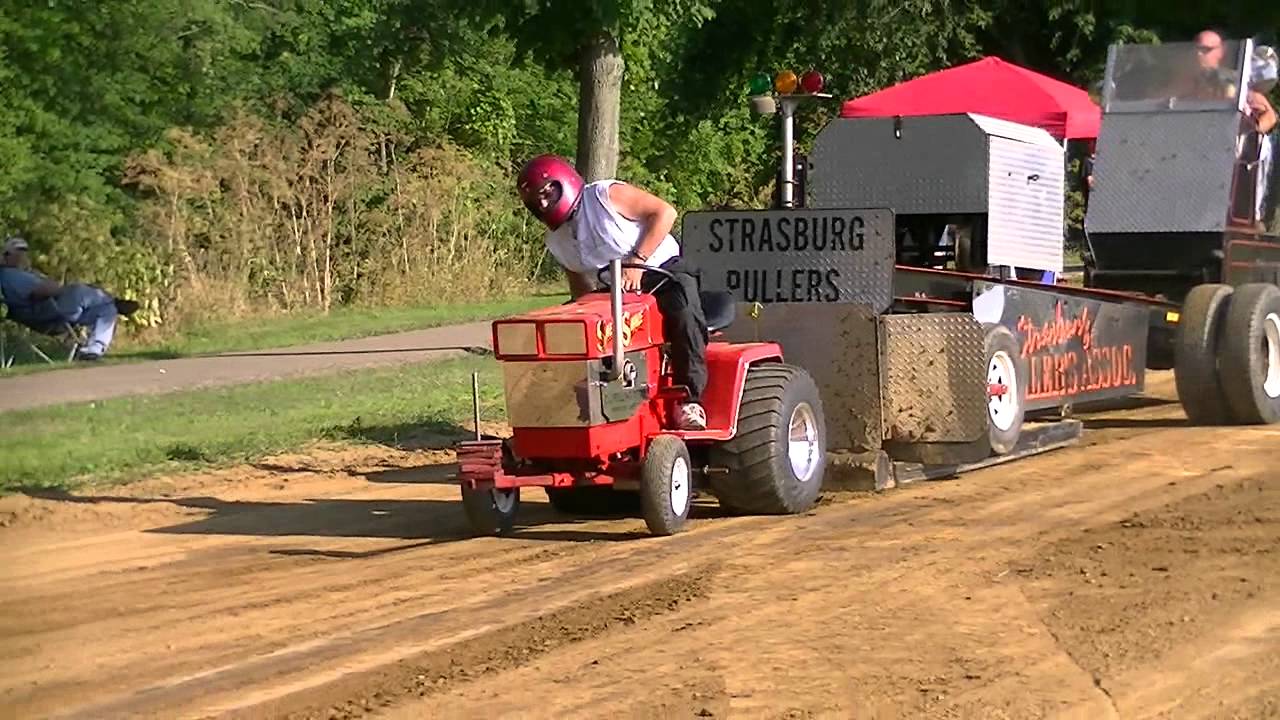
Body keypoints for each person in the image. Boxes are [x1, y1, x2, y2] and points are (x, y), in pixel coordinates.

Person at [516, 155, 709, 430]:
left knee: (684, 313)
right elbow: (580, 283)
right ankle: (579, 407)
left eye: (548, 192)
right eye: (537, 201)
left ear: (565, 181)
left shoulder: (604, 195)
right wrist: (579, 311)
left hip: (662, 271)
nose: (544, 203)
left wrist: (638, 261)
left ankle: (691, 401)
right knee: (574, 332)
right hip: (612, 291)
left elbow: (665, 213)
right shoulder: (557, 240)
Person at [0, 236, 138, 361]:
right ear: (6, 256)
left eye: (23, 252)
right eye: (17, 252)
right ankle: (113, 300)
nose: (22, 256)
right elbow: (39, 292)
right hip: (45, 311)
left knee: (108, 310)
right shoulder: (10, 276)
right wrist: (55, 287)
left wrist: (47, 283)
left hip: (59, 312)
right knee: (77, 289)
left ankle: (93, 350)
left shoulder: (23, 273)